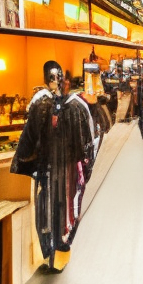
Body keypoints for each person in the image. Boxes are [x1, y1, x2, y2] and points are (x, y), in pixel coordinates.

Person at [11, 60, 96, 271]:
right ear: (63, 80)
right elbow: (88, 142)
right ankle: (61, 252)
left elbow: (28, 140)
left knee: (45, 210)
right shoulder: (78, 106)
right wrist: (85, 168)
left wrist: (22, 164)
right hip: (69, 171)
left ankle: (49, 254)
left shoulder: (39, 104)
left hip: (45, 169)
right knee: (67, 209)